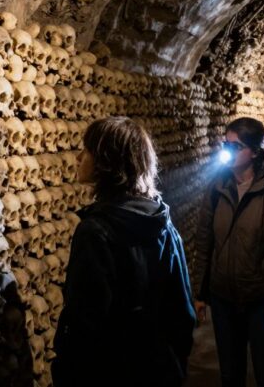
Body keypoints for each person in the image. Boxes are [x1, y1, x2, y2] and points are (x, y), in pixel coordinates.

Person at [52, 116, 196, 387]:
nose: (78, 157)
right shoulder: (162, 222)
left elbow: (86, 321)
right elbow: (183, 312)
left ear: (107, 162)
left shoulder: (96, 232)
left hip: (111, 371)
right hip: (157, 367)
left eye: (87, 150)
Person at [194, 117, 264, 387]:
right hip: (223, 299)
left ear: (255, 152)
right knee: (230, 375)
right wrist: (200, 292)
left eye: (236, 146)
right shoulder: (217, 188)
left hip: (262, 299)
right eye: (226, 144)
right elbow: (204, 241)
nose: (227, 151)